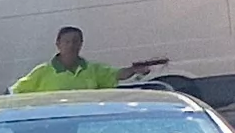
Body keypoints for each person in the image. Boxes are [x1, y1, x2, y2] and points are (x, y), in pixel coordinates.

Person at [12, 25, 154, 94]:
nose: (71, 45)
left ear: (81, 44)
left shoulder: (93, 70)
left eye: (75, 41)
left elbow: (118, 74)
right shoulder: (43, 71)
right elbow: (15, 92)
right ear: (58, 44)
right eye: (66, 42)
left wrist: (135, 70)